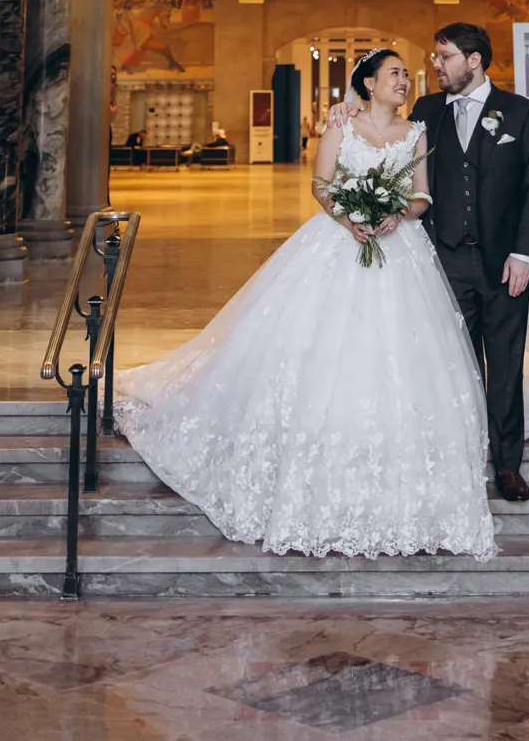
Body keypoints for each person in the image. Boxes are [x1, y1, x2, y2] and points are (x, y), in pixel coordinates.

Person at [113, 48, 497, 560]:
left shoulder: (416, 132)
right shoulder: (340, 124)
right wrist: (349, 216)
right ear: (369, 83)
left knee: (401, 359)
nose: (404, 81)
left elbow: (423, 194)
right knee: (321, 350)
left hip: (401, 250)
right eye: (394, 74)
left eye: (407, 74)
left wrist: (399, 212)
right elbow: (321, 183)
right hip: (340, 242)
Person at [410, 23, 529, 503]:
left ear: (473, 61)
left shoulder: (522, 113)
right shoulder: (426, 111)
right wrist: (348, 106)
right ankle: (463, 461)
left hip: (504, 265)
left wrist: (523, 254)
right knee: (457, 369)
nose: (436, 65)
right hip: (446, 262)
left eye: (445, 56)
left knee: (506, 366)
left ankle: (507, 466)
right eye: (435, 56)